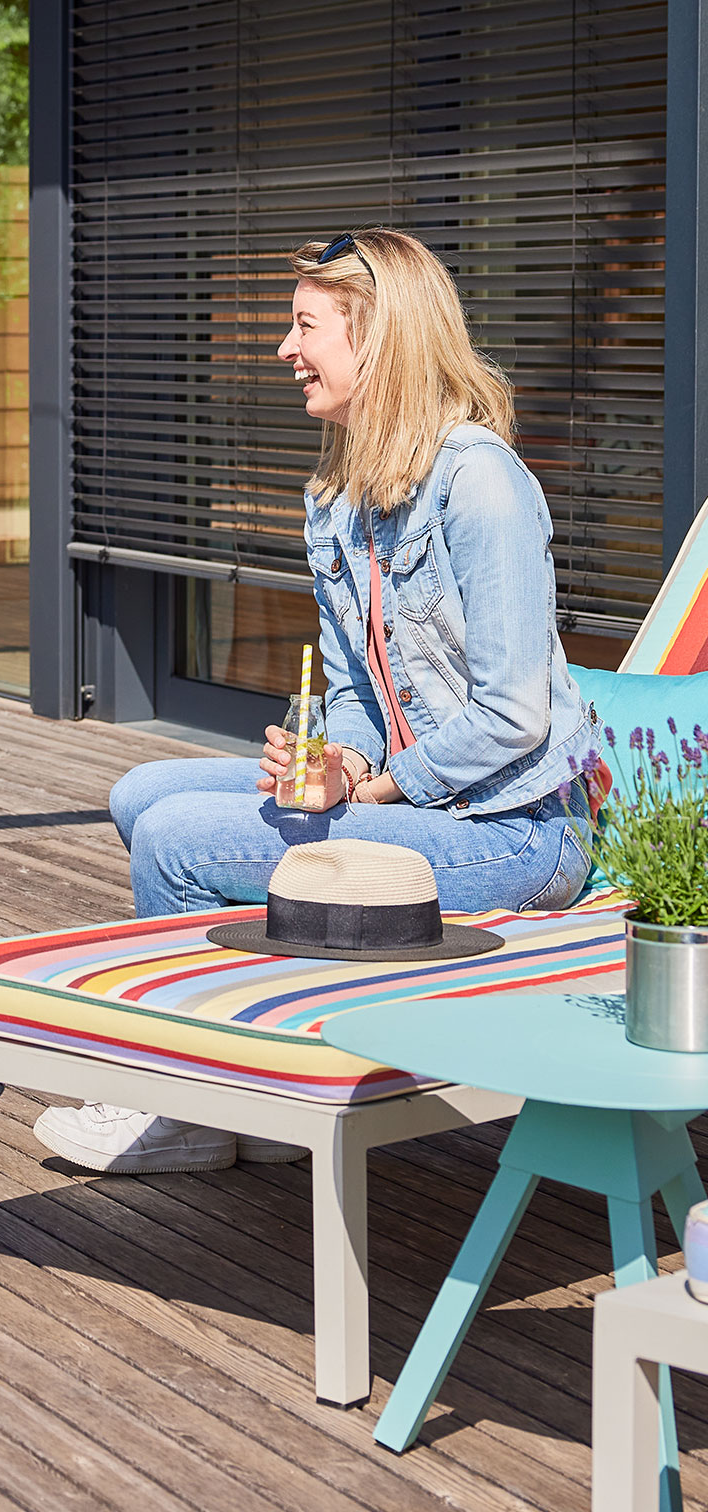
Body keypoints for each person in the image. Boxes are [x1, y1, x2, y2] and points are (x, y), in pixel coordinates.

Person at [36, 227, 596, 1175]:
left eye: (305, 327)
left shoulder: (482, 485)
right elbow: (351, 688)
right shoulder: (337, 493)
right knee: (140, 792)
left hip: (521, 832)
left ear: (377, 339)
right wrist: (336, 762)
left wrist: (377, 790)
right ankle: (250, 1070)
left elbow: (514, 715)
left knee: (178, 843)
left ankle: (184, 1099)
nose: (284, 350)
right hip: (421, 800)